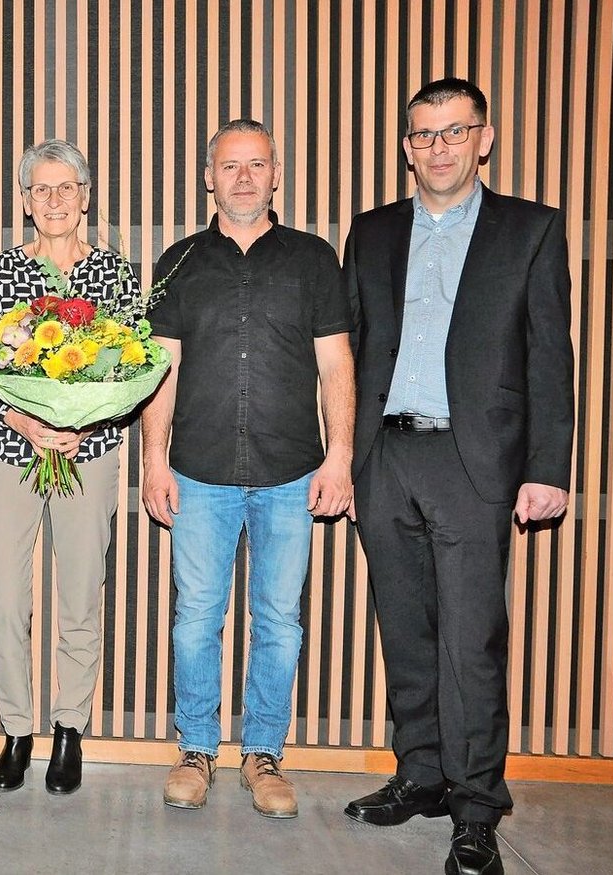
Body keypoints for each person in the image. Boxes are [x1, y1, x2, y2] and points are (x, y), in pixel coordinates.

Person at [341, 78, 573, 875]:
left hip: (476, 464)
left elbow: (550, 356)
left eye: (453, 131)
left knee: (471, 641)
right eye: (423, 134)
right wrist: (347, 454)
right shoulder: (369, 233)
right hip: (386, 456)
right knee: (405, 629)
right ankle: (422, 773)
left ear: (485, 137)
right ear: (406, 146)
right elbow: (350, 351)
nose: (437, 146)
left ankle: (477, 807)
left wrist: (548, 468)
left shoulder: (531, 230)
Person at [140, 119, 354, 818]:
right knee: (196, 617)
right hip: (198, 472)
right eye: (229, 165)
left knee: (278, 620)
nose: (242, 177)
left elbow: (336, 367)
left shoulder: (315, 260)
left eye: (255, 164)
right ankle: (196, 749)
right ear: (209, 177)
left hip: (291, 472)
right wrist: (152, 459)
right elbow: (160, 371)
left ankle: (263, 755)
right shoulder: (177, 262)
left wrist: (340, 456)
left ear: (275, 174)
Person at [0, 139, 131, 796]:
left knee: (79, 596)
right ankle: (16, 729)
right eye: (41, 189)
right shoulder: (2, 270)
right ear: (26, 201)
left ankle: (69, 726)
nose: (55, 200)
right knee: (7, 597)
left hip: (86, 453)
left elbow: (128, 369)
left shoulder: (116, 275)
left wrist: (85, 421)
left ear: (86, 196)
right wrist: (29, 421)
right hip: (11, 451)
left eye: (67, 187)